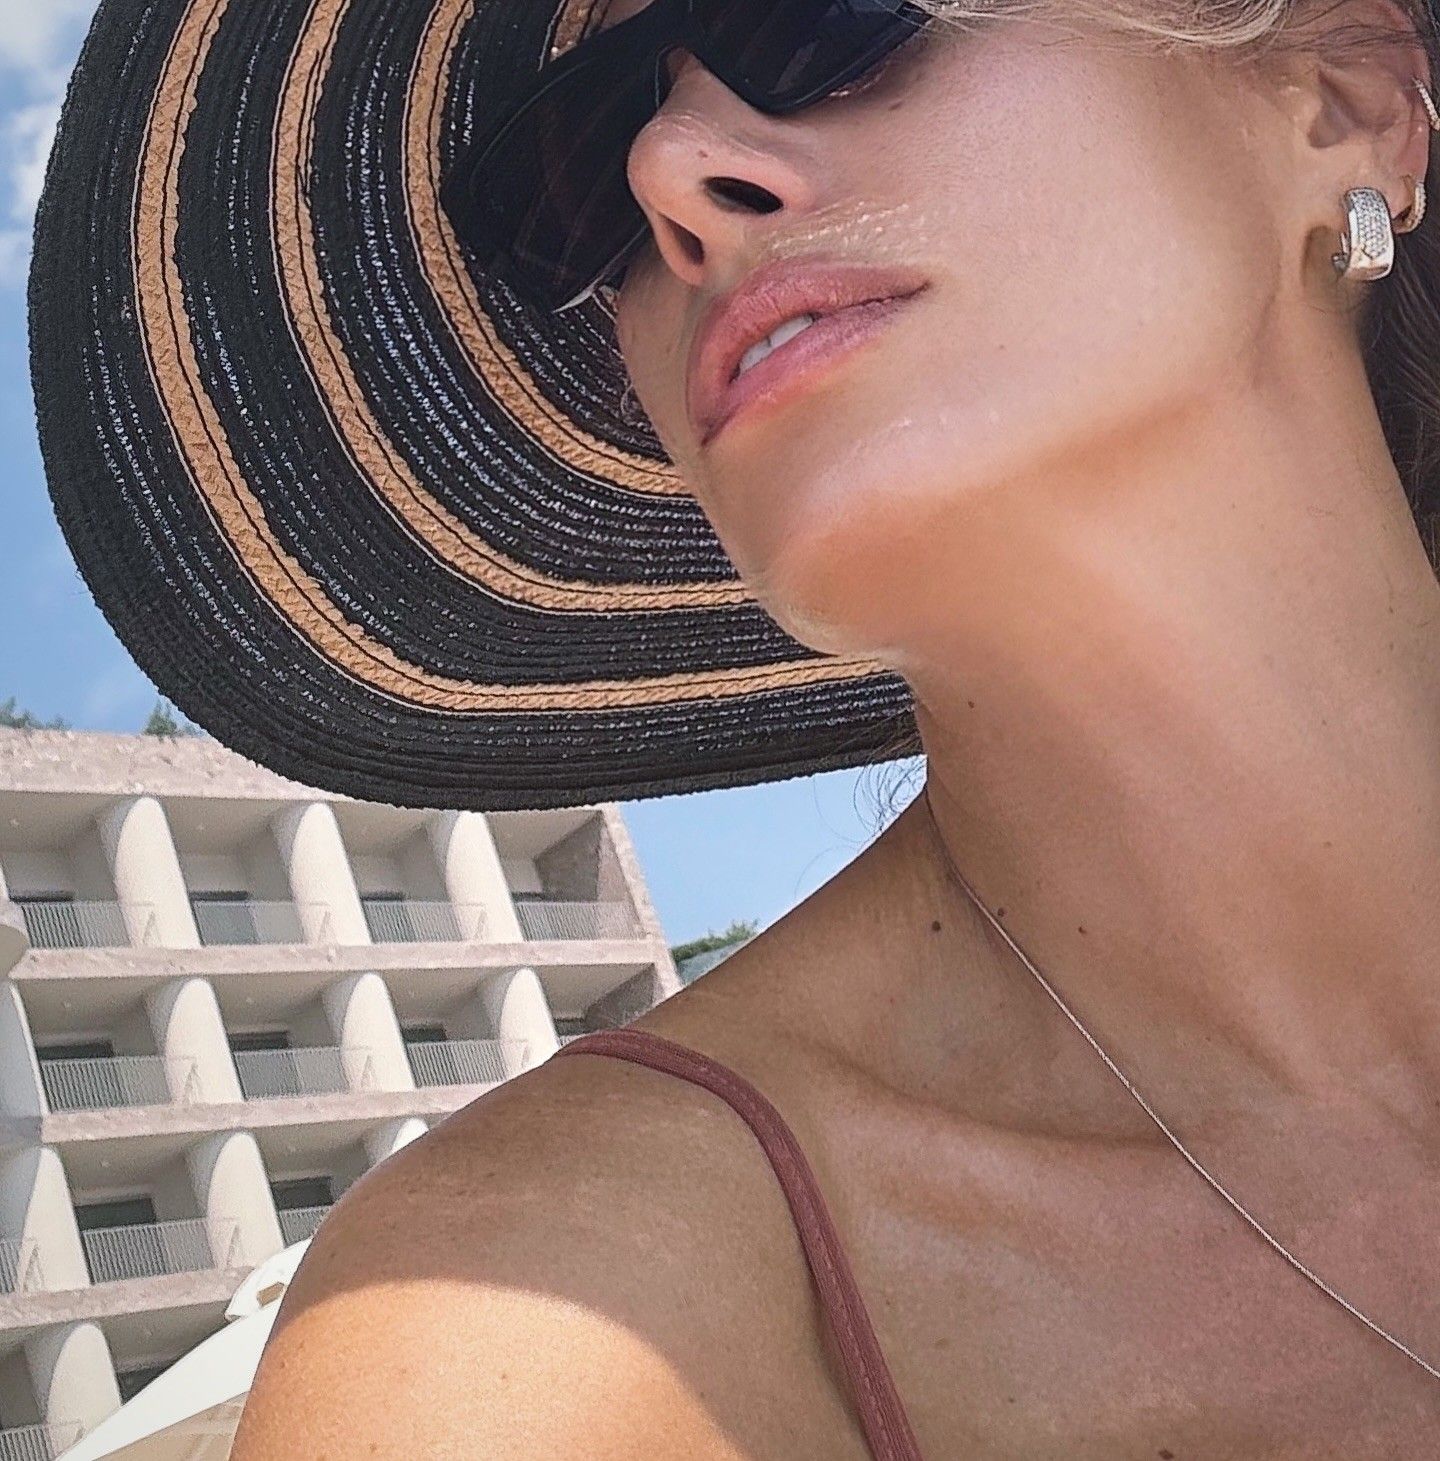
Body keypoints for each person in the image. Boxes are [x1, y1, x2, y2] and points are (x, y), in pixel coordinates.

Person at [25, 0, 1440, 1454]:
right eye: (580, 166)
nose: (668, 169)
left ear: (1343, 97)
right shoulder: (548, 1327)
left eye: (824, 17)